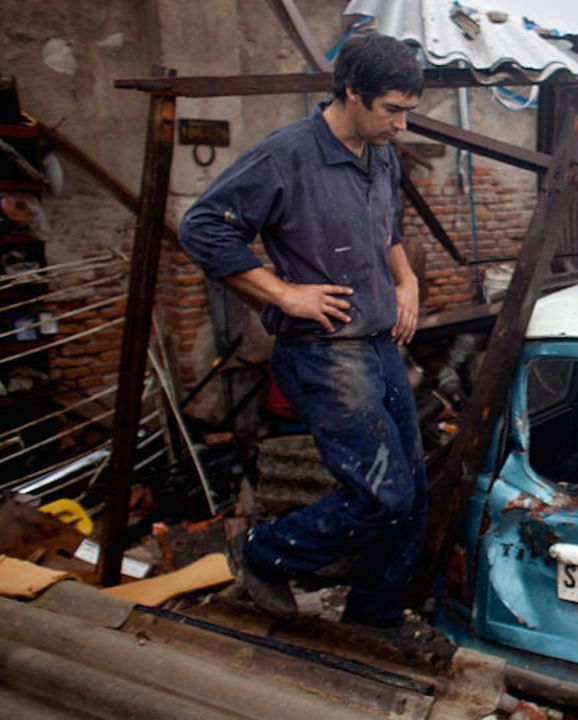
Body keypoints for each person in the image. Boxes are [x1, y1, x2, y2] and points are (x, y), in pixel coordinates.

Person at [179, 33, 427, 628]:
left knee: (412, 496)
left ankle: (374, 620)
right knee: (379, 496)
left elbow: (385, 227)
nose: (400, 124)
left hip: (378, 341)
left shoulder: (381, 150)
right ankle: (263, 554)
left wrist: (407, 280)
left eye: (407, 112)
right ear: (351, 93)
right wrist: (285, 292)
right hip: (324, 352)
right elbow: (203, 227)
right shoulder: (286, 154)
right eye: (391, 109)